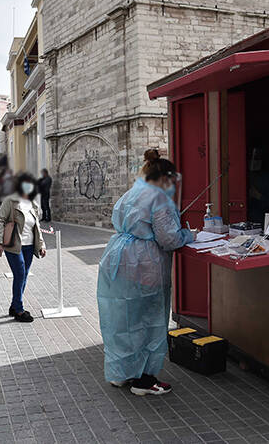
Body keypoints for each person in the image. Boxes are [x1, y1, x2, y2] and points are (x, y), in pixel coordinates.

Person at [97, 149, 194, 396]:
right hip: (145, 265)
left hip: (118, 261)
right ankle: (145, 381)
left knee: (124, 320)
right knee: (149, 322)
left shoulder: (132, 193)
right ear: (165, 178)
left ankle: (122, 374)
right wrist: (189, 234)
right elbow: (169, 238)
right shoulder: (160, 200)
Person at [0, 173, 47, 323]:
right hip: (14, 245)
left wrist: (41, 244)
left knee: (23, 275)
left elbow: (37, 226)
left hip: (29, 246)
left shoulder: (32, 203)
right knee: (20, 273)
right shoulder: (10, 201)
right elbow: (0, 220)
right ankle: (19, 309)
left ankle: (14, 306)